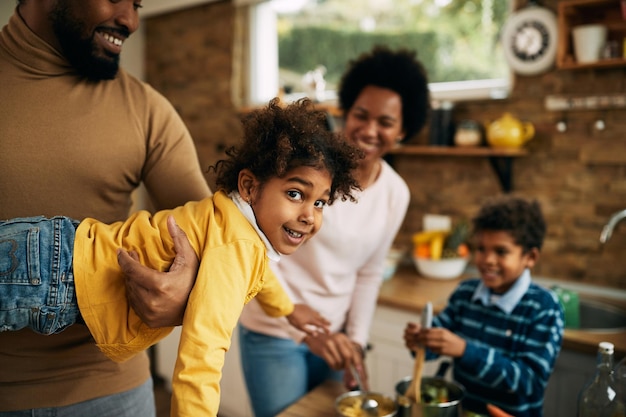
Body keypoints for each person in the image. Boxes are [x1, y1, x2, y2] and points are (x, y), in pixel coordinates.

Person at [1, 97, 361, 417]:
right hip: (51, 273)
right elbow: (202, 355)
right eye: (296, 193)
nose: (310, 216)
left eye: (320, 202)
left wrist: (287, 310)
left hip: (54, 255)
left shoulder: (237, 229)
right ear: (250, 187)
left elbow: (259, 275)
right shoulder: (237, 246)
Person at [0, 1, 213, 415]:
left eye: (136, 4)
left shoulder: (147, 110)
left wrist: (186, 291)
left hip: (113, 395)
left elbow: (212, 240)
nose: (130, 20)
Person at [235, 45, 430, 417]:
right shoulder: (305, 168)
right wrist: (297, 319)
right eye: (361, 114)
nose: (370, 130)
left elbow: (369, 273)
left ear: (403, 129)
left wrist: (354, 342)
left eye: (386, 122)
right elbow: (253, 244)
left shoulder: (395, 193)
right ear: (345, 111)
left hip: (335, 337)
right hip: (274, 329)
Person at [403, 196, 565, 417]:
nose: (488, 259)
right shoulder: (465, 293)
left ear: (530, 257)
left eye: (501, 251)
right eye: (481, 248)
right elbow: (434, 347)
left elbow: (530, 383)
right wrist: (420, 341)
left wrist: (465, 350)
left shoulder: (543, 308)